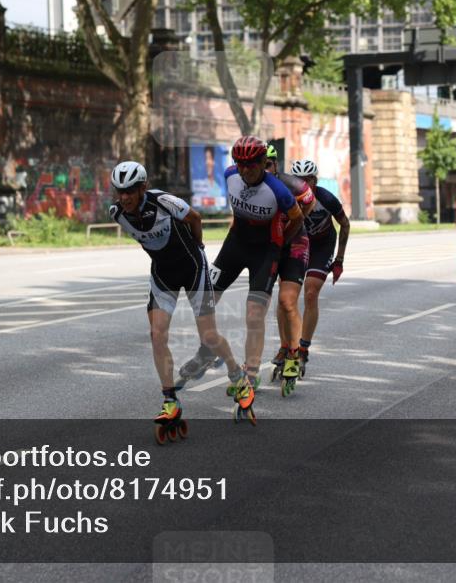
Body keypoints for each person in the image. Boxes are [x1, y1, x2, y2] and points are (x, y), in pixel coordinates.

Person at [108, 161, 241, 439]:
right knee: (157, 335)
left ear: (143, 187)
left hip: (193, 268)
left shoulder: (164, 201)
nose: (124, 197)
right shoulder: (117, 214)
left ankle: (237, 374)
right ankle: (170, 400)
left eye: (130, 190)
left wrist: (199, 246)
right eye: (120, 191)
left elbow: (195, 218)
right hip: (163, 274)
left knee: (209, 335)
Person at [179, 136, 305, 408]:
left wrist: (281, 243)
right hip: (235, 245)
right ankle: (208, 350)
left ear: (263, 162)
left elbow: (297, 217)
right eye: (240, 164)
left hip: (265, 252)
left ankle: (251, 373)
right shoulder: (229, 175)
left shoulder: (278, 190)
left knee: (254, 314)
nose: (245, 170)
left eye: (251, 164)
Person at [263, 145, 315, 391]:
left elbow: (309, 202)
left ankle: (294, 353)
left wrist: (295, 224)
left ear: (275, 164)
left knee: (287, 300)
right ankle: (285, 345)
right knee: (271, 302)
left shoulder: (291, 184)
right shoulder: (250, 187)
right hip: (271, 245)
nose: (262, 170)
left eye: (267, 164)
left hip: (295, 242)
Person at [290, 159, 350, 372]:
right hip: (300, 243)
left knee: (310, 293)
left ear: (315, 181)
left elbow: (345, 224)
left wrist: (339, 259)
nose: (303, 184)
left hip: (323, 246)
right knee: (288, 297)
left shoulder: (326, 198)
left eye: (308, 180)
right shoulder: (288, 197)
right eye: (299, 180)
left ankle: (303, 348)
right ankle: (287, 346)